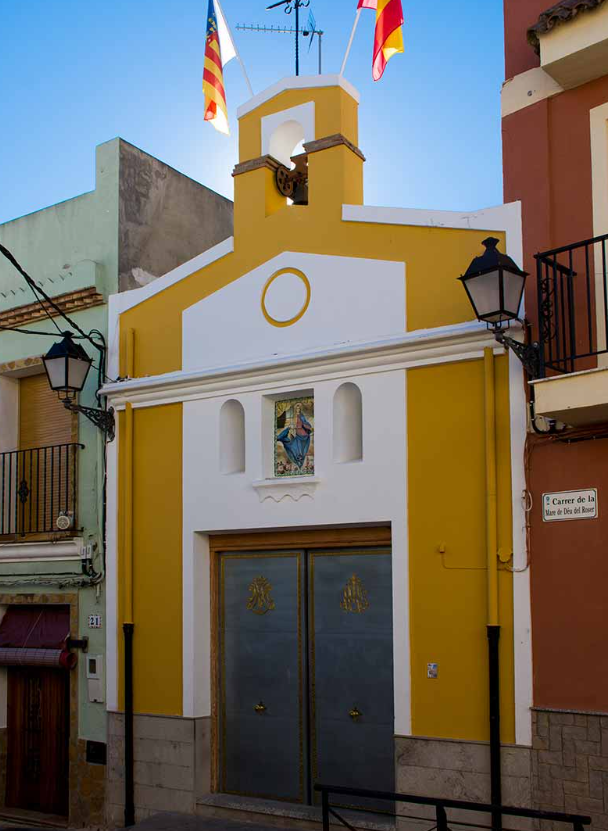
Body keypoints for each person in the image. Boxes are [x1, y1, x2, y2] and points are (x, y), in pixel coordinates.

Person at [277, 402, 313, 471]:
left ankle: (300, 459)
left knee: (299, 447)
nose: (297, 410)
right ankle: (298, 459)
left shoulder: (301, 416)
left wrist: (308, 427)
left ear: (300, 409)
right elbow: (291, 424)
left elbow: (305, 423)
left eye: (299, 408)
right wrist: (290, 428)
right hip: (296, 433)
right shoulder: (293, 416)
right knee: (294, 446)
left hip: (302, 434)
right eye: (296, 408)